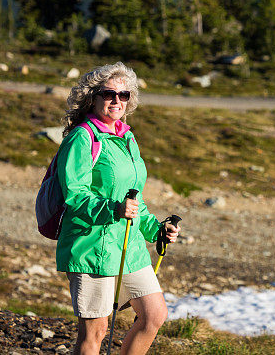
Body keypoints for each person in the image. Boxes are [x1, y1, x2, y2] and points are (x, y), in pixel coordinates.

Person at [54, 63, 180, 355]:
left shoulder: (127, 137)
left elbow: (133, 198)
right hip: (92, 247)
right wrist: (113, 209)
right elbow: (74, 195)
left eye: (124, 95)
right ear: (92, 97)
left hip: (129, 246)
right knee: (95, 334)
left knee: (153, 315)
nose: (117, 100)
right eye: (108, 93)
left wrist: (156, 228)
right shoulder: (81, 138)